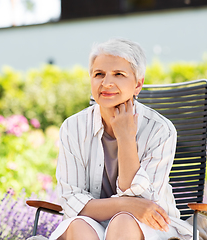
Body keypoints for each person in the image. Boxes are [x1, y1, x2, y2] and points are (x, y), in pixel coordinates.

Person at [49, 38, 196, 240]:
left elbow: (144, 204)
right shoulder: (73, 127)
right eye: (99, 74)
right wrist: (124, 204)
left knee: (123, 221)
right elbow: (71, 200)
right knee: (79, 225)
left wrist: (126, 138)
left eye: (119, 74)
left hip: (149, 227)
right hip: (92, 223)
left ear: (138, 84)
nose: (106, 82)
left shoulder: (160, 129)